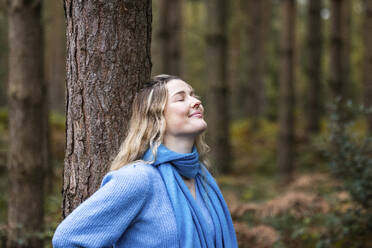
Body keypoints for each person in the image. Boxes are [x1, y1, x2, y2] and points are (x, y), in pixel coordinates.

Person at [52, 74, 238, 248]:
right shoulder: (137, 179)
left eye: (193, 95)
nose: (196, 102)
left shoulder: (202, 178)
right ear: (156, 117)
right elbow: (68, 239)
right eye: (181, 98)